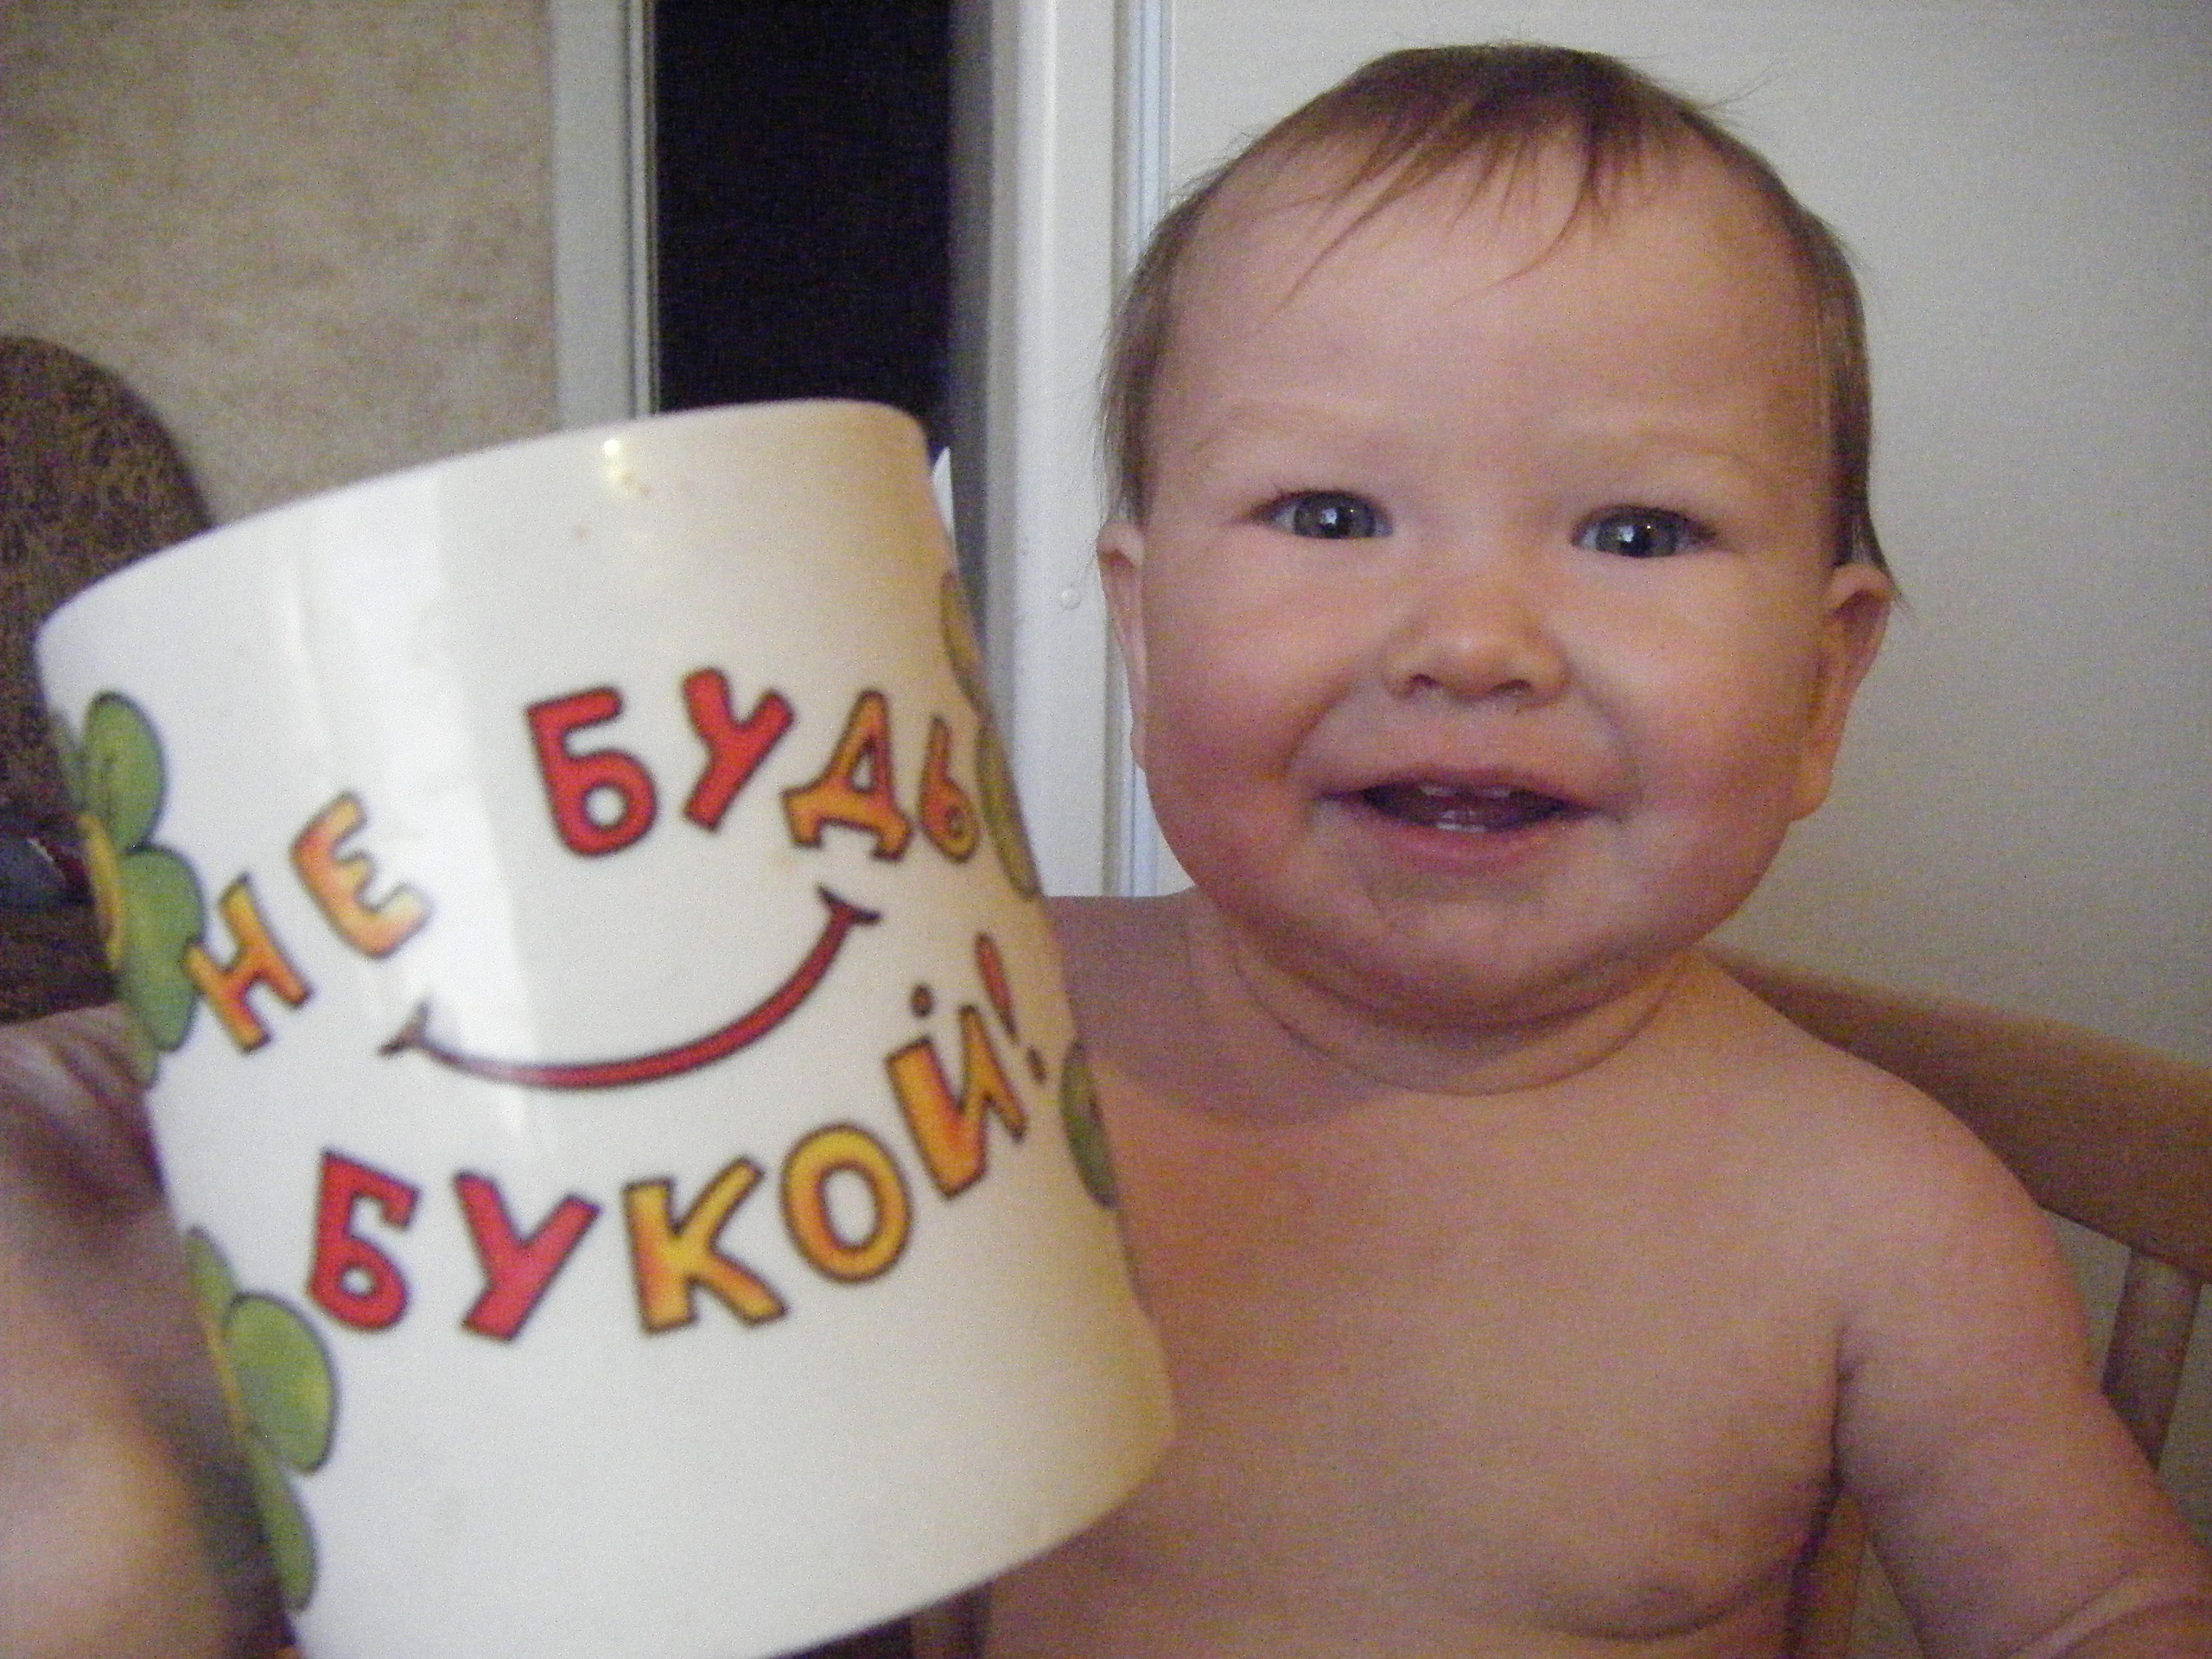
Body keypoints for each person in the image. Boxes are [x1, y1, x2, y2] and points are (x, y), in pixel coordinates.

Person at [1, 41, 2207, 1659]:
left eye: (1634, 530)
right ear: (1138, 626)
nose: (1470, 639)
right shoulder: (958, 1032)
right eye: (1327, 512)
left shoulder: (1877, 1209)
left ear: (1819, 686)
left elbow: (2096, 1610)